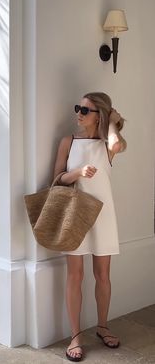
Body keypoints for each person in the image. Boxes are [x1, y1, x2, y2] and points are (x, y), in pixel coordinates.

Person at [53, 92, 127, 362]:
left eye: (85, 110)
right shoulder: (68, 142)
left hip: (103, 216)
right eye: (78, 108)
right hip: (75, 214)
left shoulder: (108, 145)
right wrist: (78, 173)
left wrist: (113, 121)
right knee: (75, 275)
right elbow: (57, 178)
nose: (78, 113)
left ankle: (103, 326)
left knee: (103, 275)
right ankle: (75, 336)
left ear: (99, 116)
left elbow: (117, 144)